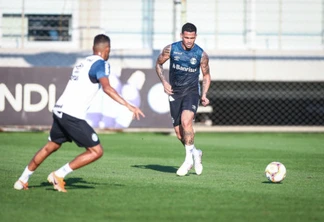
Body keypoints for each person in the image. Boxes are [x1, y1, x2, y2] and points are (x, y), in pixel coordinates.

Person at [13, 34, 145, 192]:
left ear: (93, 48)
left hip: (60, 110)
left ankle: (22, 180)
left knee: (51, 146)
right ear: (107, 50)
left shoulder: (83, 63)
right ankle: (59, 174)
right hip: (72, 114)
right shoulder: (101, 64)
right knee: (96, 151)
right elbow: (107, 88)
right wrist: (129, 105)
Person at [155, 23, 211, 176]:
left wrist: (204, 94)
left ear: (196, 37)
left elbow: (206, 76)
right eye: (186, 37)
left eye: (192, 38)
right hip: (175, 93)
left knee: (187, 121)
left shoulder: (201, 54)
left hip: (192, 92)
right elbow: (159, 64)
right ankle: (195, 153)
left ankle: (188, 162)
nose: (189, 41)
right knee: (180, 134)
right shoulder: (171, 49)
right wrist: (164, 82)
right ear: (181, 36)